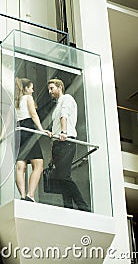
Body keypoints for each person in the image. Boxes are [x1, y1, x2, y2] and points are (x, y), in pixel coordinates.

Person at [47, 78, 89, 211]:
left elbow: (64, 116)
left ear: (60, 87)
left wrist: (64, 132)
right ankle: (68, 207)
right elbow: (57, 123)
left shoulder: (67, 99)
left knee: (63, 176)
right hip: (58, 144)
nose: (50, 91)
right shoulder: (57, 106)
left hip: (66, 141)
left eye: (52, 88)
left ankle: (83, 206)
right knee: (62, 178)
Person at [14, 77, 49, 202]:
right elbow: (33, 114)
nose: (33, 91)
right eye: (31, 88)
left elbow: (8, 121)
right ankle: (30, 195)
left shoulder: (16, 102)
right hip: (28, 129)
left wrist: (2, 137)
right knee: (38, 163)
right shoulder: (28, 98)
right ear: (26, 88)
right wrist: (41, 129)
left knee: (20, 165)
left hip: (19, 131)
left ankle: (23, 196)